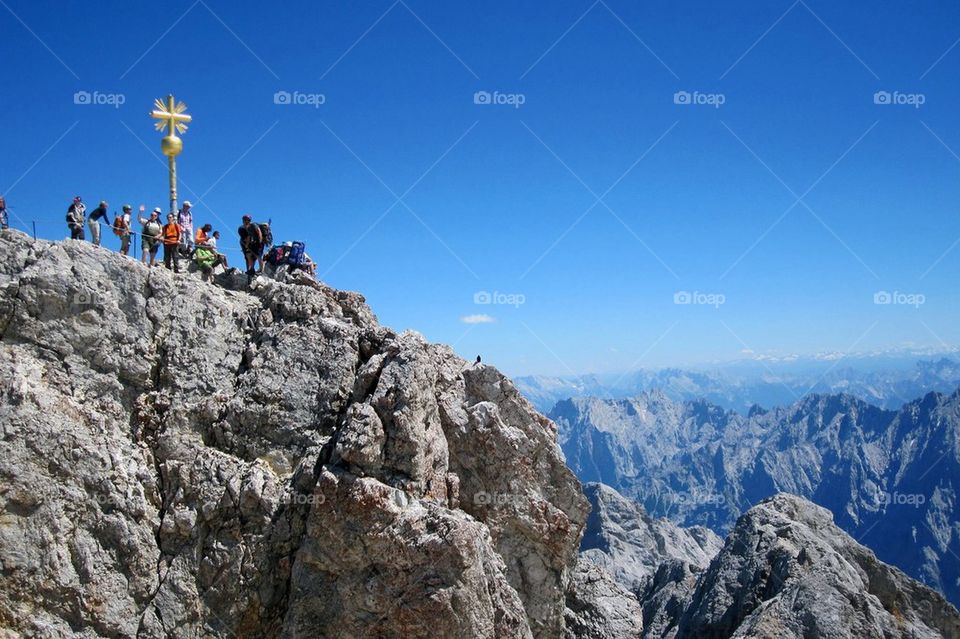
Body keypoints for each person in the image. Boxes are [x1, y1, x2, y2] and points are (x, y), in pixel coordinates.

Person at [238, 215, 264, 280]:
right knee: (249, 255)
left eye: (245, 220)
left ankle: (261, 270)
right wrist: (247, 245)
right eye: (244, 220)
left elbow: (259, 232)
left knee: (259, 256)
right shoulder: (248, 227)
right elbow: (249, 237)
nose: (244, 221)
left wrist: (260, 241)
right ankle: (252, 269)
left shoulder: (253, 225)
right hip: (254, 243)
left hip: (258, 242)